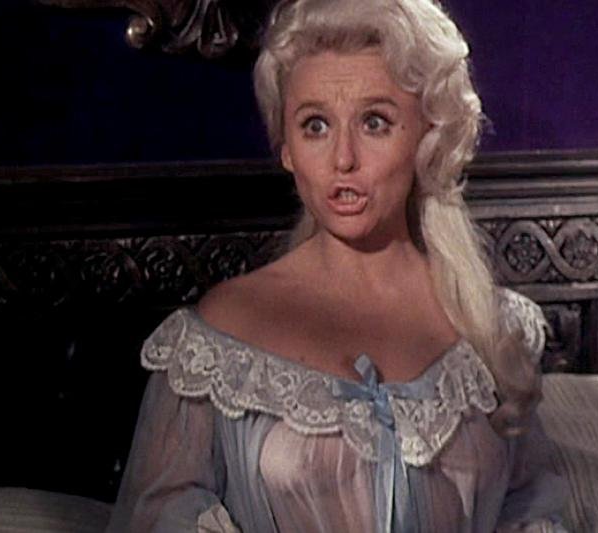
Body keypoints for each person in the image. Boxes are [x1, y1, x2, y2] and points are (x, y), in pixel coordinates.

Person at [106, 0, 569, 531]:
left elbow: (531, 512)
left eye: (374, 122)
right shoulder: (216, 341)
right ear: (286, 148)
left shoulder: (491, 330)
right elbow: (162, 518)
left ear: (428, 138)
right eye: (316, 125)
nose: (343, 159)